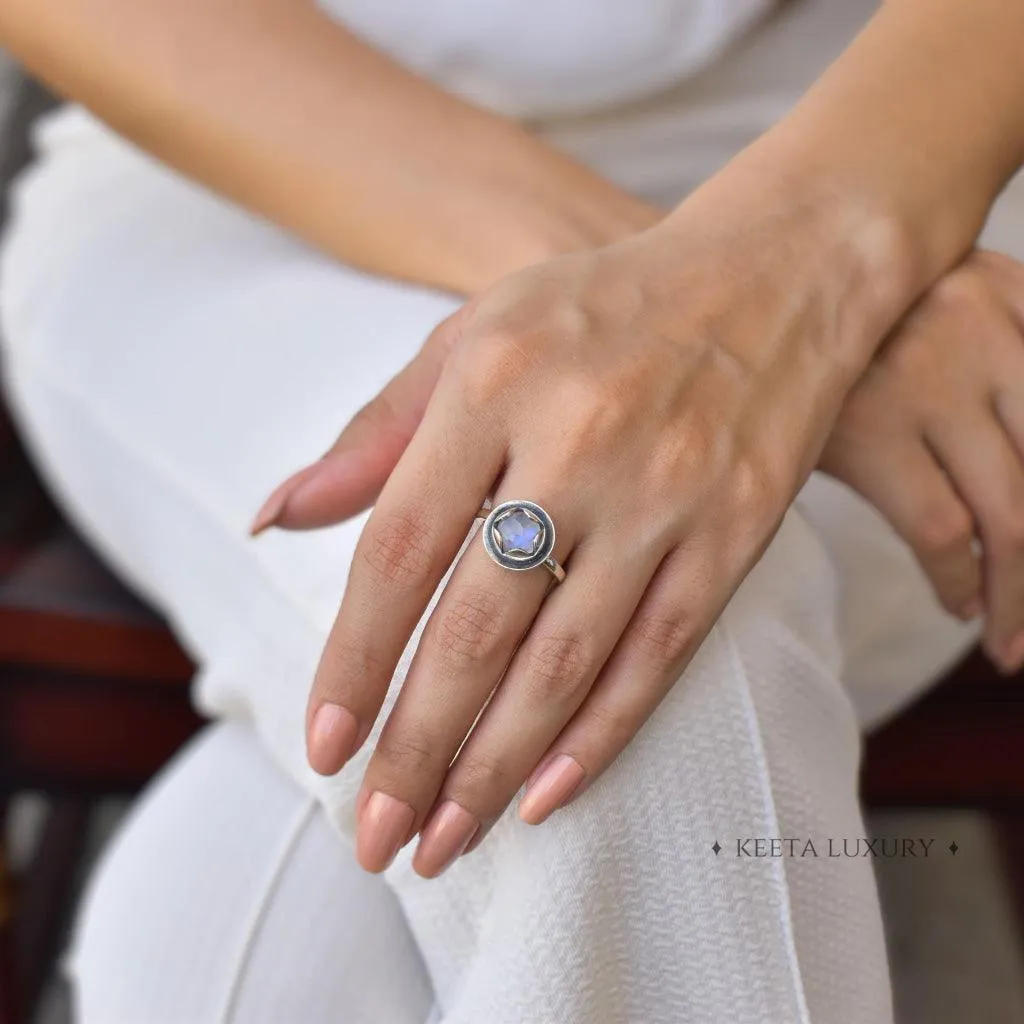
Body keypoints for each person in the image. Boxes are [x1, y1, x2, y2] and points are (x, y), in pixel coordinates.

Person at [1, 0, 1023, 1020]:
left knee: (613, 663)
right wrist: (737, 301)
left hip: (886, 145)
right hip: (233, 155)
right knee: (595, 639)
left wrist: (824, 252)